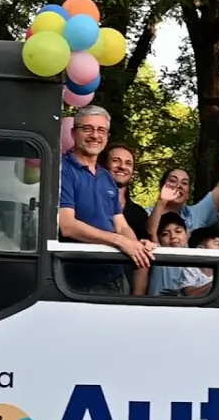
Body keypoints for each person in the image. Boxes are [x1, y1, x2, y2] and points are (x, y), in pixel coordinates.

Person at [58, 106, 156, 293]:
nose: (95, 135)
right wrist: (120, 242)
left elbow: (122, 226)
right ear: (73, 133)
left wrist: (135, 244)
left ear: (107, 136)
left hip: (114, 278)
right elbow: (67, 225)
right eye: (87, 128)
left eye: (101, 130)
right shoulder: (63, 170)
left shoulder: (106, 177)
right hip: (77, 283)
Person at [144, 167, 219, 238]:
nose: (179, 186)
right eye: (173, 181)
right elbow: (149, 234)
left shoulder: (194, 215)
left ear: (188, 194)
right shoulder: (145, 214)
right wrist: (162, 201)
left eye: (184, 183)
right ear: (161, 187)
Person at [101, 144, 149, 241]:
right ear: (103, 166)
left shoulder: (139, 213)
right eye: (116, 161)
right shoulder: (89, 200)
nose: (122, 166)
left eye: (128, 163)